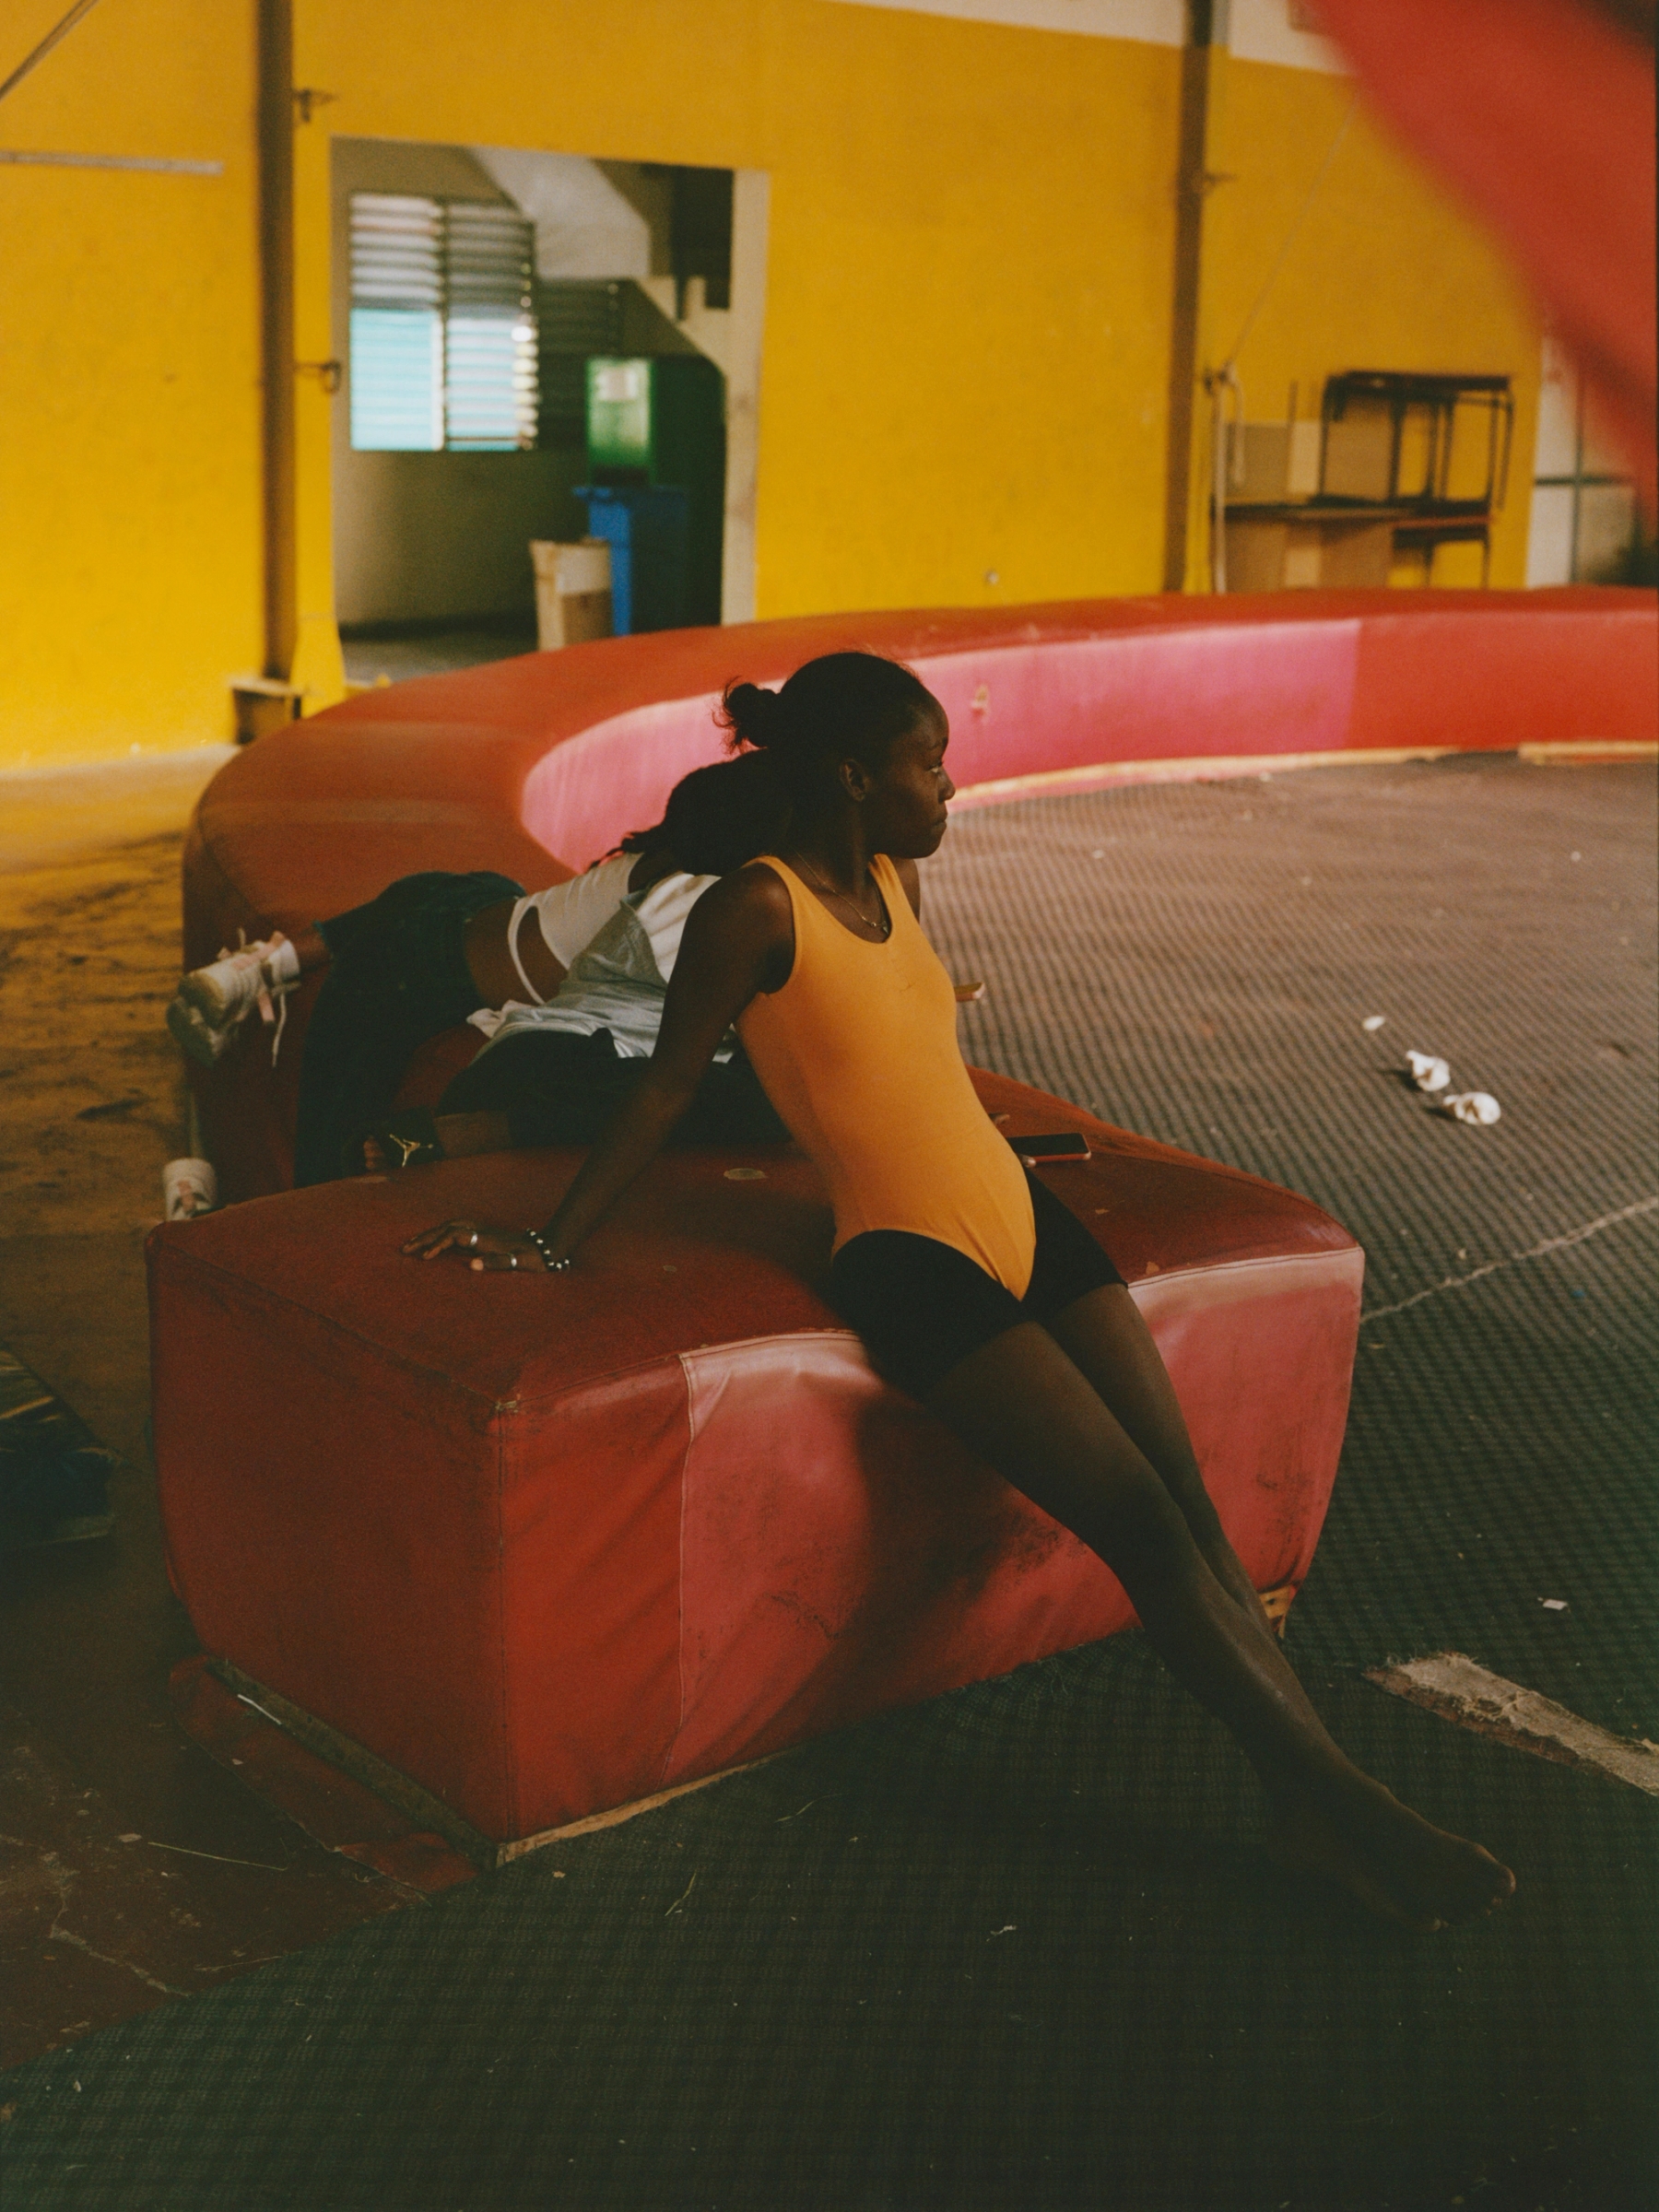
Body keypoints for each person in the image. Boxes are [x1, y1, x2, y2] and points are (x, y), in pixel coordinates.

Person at [405, 649, 1518, 1935]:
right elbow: (661, 1089)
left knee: (1191, 1507)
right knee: (1142, 1526)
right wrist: (551, 1245)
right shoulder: (754, 909)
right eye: (928, 764)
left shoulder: (895, 876)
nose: (949, 785)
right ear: (851, 775)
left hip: (1024, 1218)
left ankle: (1309, 1795)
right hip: (911, 1257)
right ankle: (1344, 1806)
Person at [166, 751, 789, 1184]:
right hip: (421, 972)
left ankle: (266, 964)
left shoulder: (652, 866)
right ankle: (264, 973)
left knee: (450, 888)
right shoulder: (710, 904)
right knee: (330, 1167)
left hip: (458, 933)